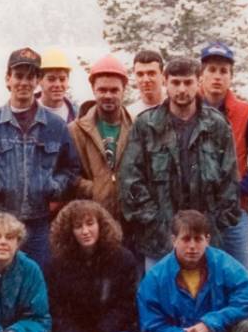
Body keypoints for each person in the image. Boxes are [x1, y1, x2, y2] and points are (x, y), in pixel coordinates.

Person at [117, 56, 239, 270]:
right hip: (160, 243)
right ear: (165, 82)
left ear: (199, 81)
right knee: (161, 301)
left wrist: (213, 225)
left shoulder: (217, 125)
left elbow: (229, 182)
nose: (182, 89)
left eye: (188, 82)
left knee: (205, 300)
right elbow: (130, 181)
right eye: (175, 82)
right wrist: (156, 223)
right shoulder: (146, 125)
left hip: (205, 243)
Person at [0, 47, 81, 268]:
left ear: (37, 81)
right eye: (18, 76)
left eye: (30, 77)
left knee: (38, 280)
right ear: (8, 79)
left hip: (39, 225)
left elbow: (71, 168)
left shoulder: (55, 126)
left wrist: (54, 186)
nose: (24, 83)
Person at [45, 201, 144, 332]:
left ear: (101, 225)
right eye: (78, 226)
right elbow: (56, 314)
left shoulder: (123, 259)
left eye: (90, 223)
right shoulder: (56, 264)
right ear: (69, 231)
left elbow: (126, 307)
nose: (85, 231)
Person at [197, 42, 248, 273]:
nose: (217, 77)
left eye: (223, 71)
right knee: (198, 278)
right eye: (211, 70)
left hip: (234, 212)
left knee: (239, 277)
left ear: (231, 76)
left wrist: (237, 189)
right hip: (195, 211)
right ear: (201, 75)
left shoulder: (246, 113)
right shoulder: (187, 108)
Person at [68, 54, 135, 221]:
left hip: (130, 219)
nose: (108, 95)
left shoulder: (137, 127)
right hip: (91, 219)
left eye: (114, 90)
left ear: (124, 89)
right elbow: (69, 174)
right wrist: (96, 189)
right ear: (93, 89)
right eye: (102, 90)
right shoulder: (76, 130)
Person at [37, 47, 77, 123]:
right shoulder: (27, 113)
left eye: (62, 79)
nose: (58, 84)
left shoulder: (77, 114)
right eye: (51, 79)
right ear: (39, 80)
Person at [126, 49, 165, 119]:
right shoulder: (130, 115)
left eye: (151, 73)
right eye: (140, 74)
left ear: (163, 75)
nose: (146, 80)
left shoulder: (176, 107)